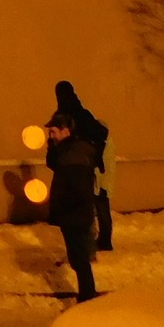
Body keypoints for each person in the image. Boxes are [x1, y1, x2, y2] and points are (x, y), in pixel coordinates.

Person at [46, 114, 100, 302]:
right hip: (73, 214)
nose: (51, 136)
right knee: (78, 258)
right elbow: (53, 164)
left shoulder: (74, 154)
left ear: (65, 131)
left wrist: (65, 206)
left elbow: (78, 189)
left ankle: (87, 295)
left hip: (75, 214)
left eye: (53, 132)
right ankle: (87, 293)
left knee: (80, 259)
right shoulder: (68, 150)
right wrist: (52, 145)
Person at [54, 80, 113, 251]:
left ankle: (89, 247)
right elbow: (101, 133)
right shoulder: (80, 113)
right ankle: (93, 244)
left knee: (86, 206)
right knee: (91, 204)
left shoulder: (66, 116)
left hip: (78, 165)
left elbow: (101, 133)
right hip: (86, 164)